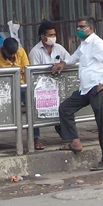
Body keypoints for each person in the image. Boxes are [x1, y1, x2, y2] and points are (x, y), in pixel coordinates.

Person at [51, 17, 103, 171]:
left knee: (102, 123)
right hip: (86, 88)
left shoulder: (96, 43)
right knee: (65, 109)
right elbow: (75, 57)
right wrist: (63, 63)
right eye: (78, 26)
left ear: (90, 28)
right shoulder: (84, 44)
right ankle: (74, 142)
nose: (78, 29)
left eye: (82, 27)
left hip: (97, 88)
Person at [27, 21, 71, 150]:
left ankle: (65, 132)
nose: (53, 37)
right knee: (33, 107)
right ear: (42, 36)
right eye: (50, 35)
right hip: (41, 89)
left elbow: (70, 59)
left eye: (54, 34)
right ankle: (36, 138)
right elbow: (33, 72)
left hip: (58, 86)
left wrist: (63, 64)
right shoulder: (35, 52)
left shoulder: (59, 48)